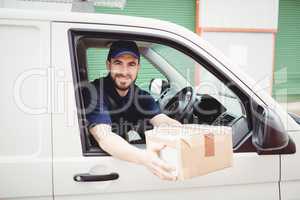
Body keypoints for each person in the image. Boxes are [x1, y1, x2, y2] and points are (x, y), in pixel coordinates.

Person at [84, 40, 181, 181]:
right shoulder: (94, 92)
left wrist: (182, 131)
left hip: (121, 166)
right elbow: (104, 137)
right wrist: (145, 158)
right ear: (108, 65)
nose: (124, 72)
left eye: (131, 64)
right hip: (98, 166)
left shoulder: (141, 96)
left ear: (138, 67)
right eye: (118, 63)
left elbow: (161, 120)